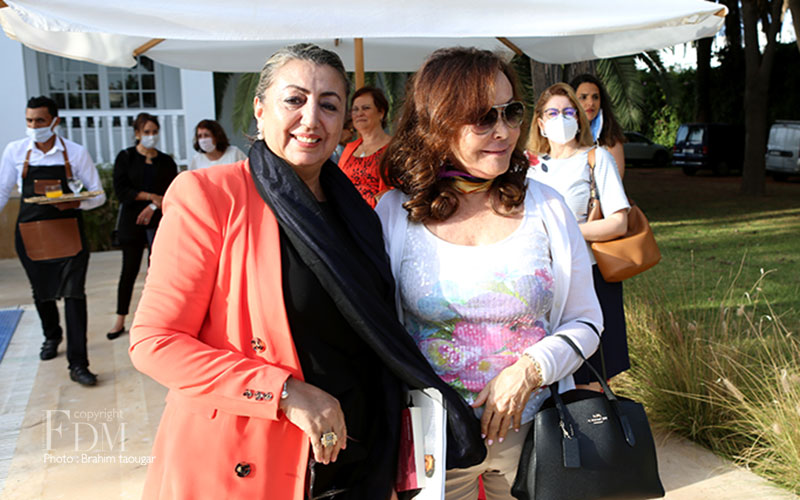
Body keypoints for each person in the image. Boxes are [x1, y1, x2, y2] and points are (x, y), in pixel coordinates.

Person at [129, 43, 484, 500]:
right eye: (294, 100)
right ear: (260, 110)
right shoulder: (211, 195)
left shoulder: (358, 215)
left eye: (329, 105)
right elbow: (155, 343)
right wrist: (285, 392)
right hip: (251, 456)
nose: (311, 119)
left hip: (357, 456)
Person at [376, 48, 603, 500]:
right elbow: (378, 331)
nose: (503, 131)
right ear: (437, 122)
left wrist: (531, 370)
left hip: (538, 439)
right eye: (483, 117)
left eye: (511, 112)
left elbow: (587, 321)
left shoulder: (548, 207)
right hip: (435, 446)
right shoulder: (396, 213)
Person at [525, 82, 631, 391]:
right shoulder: (528, 166)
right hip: (541, 282)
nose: (561, 118)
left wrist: (566, 231)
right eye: (553, 113)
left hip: (588, 278)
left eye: (568, 112)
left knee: (589, 380)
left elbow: (618, 223)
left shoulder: (596, 158)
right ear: (540, 123)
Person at [0, 96, 106, 386]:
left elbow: (98, 195)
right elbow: (3, 191)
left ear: (55, 122)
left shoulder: (75, 153)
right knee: (42, 292)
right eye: (29, 121)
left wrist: (76, 203)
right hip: (30, 234)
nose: (34, 126)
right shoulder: (15, 151)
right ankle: (52, 335)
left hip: (69, 234)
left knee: (74, 295)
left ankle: (79, 364)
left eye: (40, 121)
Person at [106, 113, 178, 340]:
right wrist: (150, 197)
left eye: (154, 132)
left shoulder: (166, 161)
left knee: (158, 273)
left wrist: (154, 205)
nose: (151, 136)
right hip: (132, 223)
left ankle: (157, 321)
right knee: (128, 271)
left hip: (159, 222)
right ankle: (120, 320)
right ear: (137, 133)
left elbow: (171, 192)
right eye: (146, 132)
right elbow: (122, 191)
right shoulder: (126, 157)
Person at [337, 86, 391, 207]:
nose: (359, 113)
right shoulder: (349, 148)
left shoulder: (394, 148)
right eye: (355, 109)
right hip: (347, 214)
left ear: (381, 113)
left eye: (366, 108)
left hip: (379, 215)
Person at [570, 74, 627, 178]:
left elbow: (615, 180)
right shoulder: (563, 135)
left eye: (595, 97)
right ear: (572, 101)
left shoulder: (610, 138)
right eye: (583, 97)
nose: (591, 103)